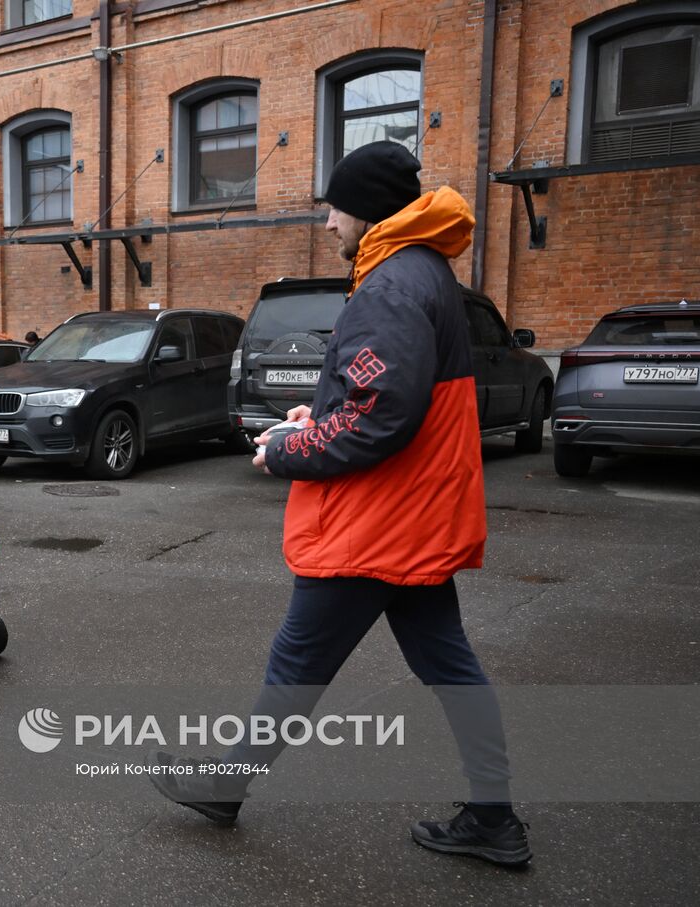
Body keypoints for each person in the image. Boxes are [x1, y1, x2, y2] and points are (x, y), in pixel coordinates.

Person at [149, 141, 530, 867]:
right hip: (413, 515)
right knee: (449, 663)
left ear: (369, 210)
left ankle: (225, 785)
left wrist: (288, 450)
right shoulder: (421, 271)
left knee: (298, 661)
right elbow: (383, 401)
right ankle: (493, 815)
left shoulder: (392, 285)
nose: (328, 222)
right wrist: (315, 415)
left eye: (335, 208)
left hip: (376, 522)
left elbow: (379, 419)